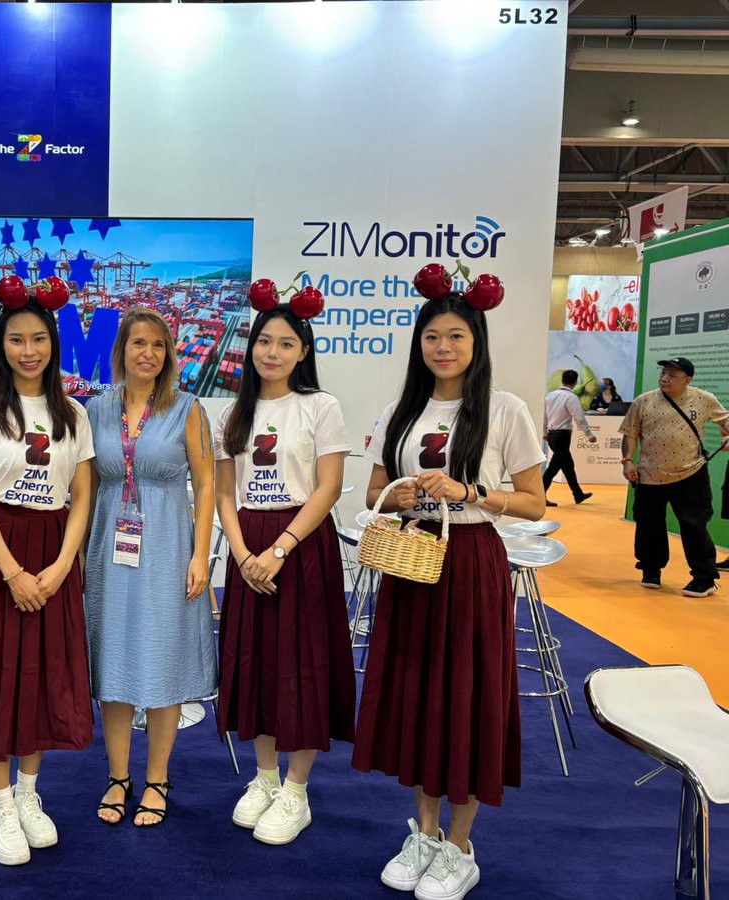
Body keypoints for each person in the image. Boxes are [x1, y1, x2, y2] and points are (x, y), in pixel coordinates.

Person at [351, 272, 545, 900]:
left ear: (476, 341)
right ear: (419, 343)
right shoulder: (400, 411)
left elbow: (535, 502)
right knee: (418, 694)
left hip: (471, 562)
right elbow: (374, 491)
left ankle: (460, 845)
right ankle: (425, 834)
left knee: (467, 693)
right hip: (413, 562)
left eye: (456, 335)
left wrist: (472, 491)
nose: (443, 347)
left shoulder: (505, 409)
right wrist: (401, 494)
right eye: (432, 336)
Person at [213, 287, 354, 847]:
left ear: (303, 351)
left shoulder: (321, 406)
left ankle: (297, 790)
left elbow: (329, 487)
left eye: (286, 343)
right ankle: (265, 777)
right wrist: (244, 554)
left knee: (303, 662)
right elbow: (225, 493)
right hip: (249, 547)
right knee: (255, 662)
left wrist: (280, 549)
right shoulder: (233, 413)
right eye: (264, 341)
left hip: (301, 545)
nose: (272, 352)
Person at [0, 293, 94, 867]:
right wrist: (13, 572)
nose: (28, 350)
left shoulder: (75, 413)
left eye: (39, 339)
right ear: (0, 345)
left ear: (53, 345)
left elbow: (83, 495)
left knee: (44, 674)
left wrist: (62, 566)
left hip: (54, 549)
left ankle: (29, 792)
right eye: (17, 339)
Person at [85, 307, 216, 828]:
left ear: (169, 354)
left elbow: (205, 484)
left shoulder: (188, 408)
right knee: (113, 663)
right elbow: (86, 485)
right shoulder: (97, 409)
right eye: (139, 343)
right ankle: (118, 777)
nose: (148, 353)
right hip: (109, 548)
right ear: (122, 351)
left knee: (164, 662)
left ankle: (157, 779)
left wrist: (201, 554)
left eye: (158, 345)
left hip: (168, 547)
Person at [620, 357, 729, 597]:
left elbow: (725, 419)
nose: (664, 378)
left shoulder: (703, 399)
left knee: (694, 525)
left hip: (690, 474)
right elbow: (630, 433)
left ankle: (704, 578)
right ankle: (651, 570)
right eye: (663, 373)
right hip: (649, 475)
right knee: (649, 525)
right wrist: (627, 461)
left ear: (687, 380)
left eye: (672, 375)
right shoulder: (644, 401)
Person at [541, 369, 596, 507]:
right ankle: (540, 495)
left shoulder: (549, 396)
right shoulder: (571, 398)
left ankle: (578, 494)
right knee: (554, 467)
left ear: (562, 380)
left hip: (552, 435)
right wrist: (589, 434)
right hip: (562, 436)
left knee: (567, 466)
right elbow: (579, 418)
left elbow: (544, 416)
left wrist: (544, 432)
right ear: (576, 382)